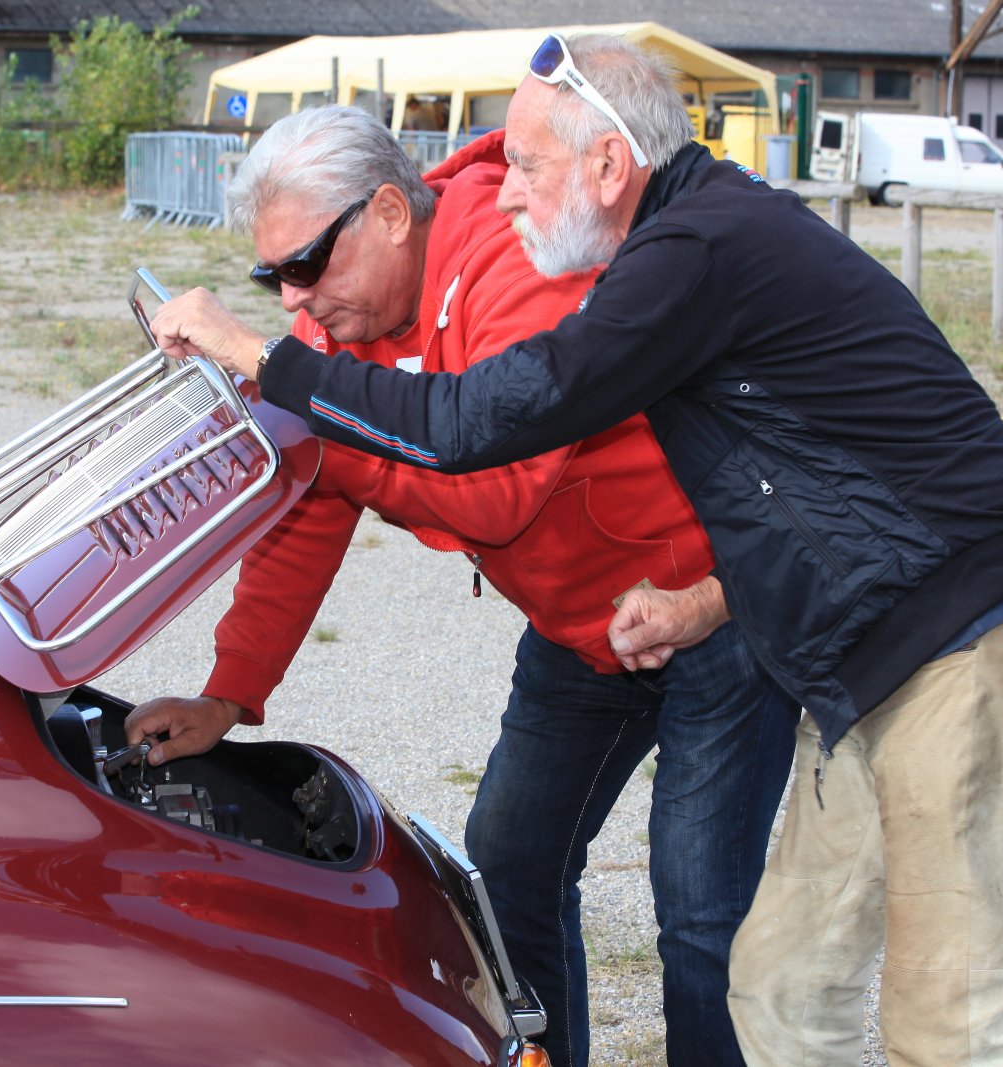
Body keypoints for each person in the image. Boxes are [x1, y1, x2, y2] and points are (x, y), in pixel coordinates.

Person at [145, 32, 1003, 1067]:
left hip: (946, 630)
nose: (500, 189)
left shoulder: (682, 253)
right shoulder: (678, 247)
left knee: (905, 997)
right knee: (773, 982)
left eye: (525, 164)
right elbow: (775, 482)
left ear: (606, 165)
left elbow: (482, 442)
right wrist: (233, 688)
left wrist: (275, 372)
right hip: (787, 638)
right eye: (271, 277)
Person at [123, 105, 796, 1067]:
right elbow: (308, 513)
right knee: (510, 862)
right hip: (582, 627)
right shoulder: (333, 336)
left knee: (700, 906)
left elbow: (496, 485)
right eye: (274, 278)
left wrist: (310, 408)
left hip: (709, 603)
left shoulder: (518, 255)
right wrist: (228, 694)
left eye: (307, 264)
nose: (294, 300)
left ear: (391, 214)